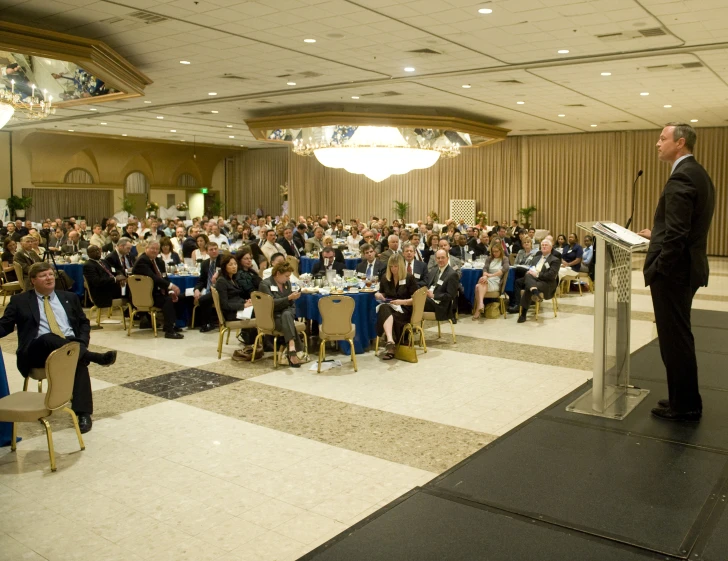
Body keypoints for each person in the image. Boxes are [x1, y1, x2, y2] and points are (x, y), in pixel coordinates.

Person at [638, 123, 715, 422]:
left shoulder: (682, 176)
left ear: (680, 143)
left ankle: (684, 406)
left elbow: (679, 234)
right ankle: (683, 399)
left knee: (675, 340)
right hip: (687, 268)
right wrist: (655, 233)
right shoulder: (698, 173)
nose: (657, 144)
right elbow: (680, 226)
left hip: (675, 273)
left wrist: (660, 268)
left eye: (662, 138)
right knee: (678, 337)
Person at [0, 262, 117, 434]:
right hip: (37, 350)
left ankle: (83, 413)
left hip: (68, 346)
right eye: (43, 275)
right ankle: (92, 356)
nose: (48, 278)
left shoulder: (68, 297)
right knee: (49, 338)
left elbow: (84, 323)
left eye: (50, 274)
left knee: (76, 359)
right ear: (33, 280)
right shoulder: (20, 301)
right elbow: (5, 325)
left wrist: (82, 344)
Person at [131, 241, 183, 339]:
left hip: (156, 292)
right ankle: (169, 331)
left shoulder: (159, 261)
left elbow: (164, 277)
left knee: (179, 297)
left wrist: (170, 291)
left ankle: (171, 324)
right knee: (167, 300)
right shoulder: (142, 261)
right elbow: (154, 278)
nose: (154, 251)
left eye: (156, 249)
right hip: (145, 296)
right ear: (146, 248)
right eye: (152, 248)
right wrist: (171, 286)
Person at [258, 261, 304, 367]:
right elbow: (271, 304)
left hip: (285, 315)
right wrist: (288, 298)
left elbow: (291, 305)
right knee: (287, 317)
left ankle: (291, 348)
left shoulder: (286, 284)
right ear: (278, 273)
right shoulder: (265, 284)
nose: (288, 279)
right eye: (287, 276)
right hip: (271, 317)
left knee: (287, 314)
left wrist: (291, 308)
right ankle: (294, 350)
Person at [374, 253, 418, 360]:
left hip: (405, 309)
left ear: (401, 266)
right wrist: (378, 295)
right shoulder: (385, 278)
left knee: (385, 313)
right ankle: (390, 340)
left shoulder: (409, 278)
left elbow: (416, 299)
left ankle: (390, 348)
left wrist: (402, 302)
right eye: (391, 266)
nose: (393, 269)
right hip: (390, 307)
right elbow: (382, 293)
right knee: (384, 308)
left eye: (396, 266)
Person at [513, 239, 560, 323]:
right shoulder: (536, 258)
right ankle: (534, 291)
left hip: (546, 283)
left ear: (551, 247)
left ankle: (523, 314)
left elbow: (551, 276)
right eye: (542, 245)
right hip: (533, 280)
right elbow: (532, 269)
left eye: (546, 245)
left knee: (528, 287)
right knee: (523, 278)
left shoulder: (555, 260)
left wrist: (537, 274)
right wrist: (530, 272)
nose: (544, 246)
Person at [472, 243, 509, 320]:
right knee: (479, 283)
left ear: (500, 251)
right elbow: (485, 269)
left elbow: (504, 269)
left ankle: (478, 309)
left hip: (496, 281)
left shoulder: (505, 259)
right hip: (488, 279)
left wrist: (489, 275)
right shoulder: (489, 259)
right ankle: (481, 304)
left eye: (496, 251)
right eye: (493, 252)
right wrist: (485, 276)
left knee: (477, 286)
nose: (494, 253)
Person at [424, 249, 459, 322]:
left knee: (416, 302)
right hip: (430, 300)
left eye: (443, 257)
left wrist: (433, 296)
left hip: (441, 306)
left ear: (447, 258)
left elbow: (450, 296)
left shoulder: (452, 274)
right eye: (438, 258)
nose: (440, 260)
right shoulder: (434, 270)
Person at [215, 253, 252, 321]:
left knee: (260, 308)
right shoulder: (221, 281)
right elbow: (224, 305)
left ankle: (249, 331)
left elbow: (235, 298)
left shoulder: (233, 279)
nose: (234, 266)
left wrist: (246, 302)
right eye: (230, 265)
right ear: (224, 267)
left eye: (235, 264)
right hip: (231, 313)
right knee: (260, 312)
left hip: (238, 309)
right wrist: (243, 305)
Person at [194, 242, 221, 332]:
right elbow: (202, 280)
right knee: (184, 297)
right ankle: (193, 322)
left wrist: (218, 273)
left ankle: (208, 323)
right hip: (208, 288)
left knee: (203, 299)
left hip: (220, 289)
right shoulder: (205, 263)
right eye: (211, 250)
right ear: (207, 252)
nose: (214, 251)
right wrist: (197, 289)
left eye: (215, 249)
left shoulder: (223, 260)